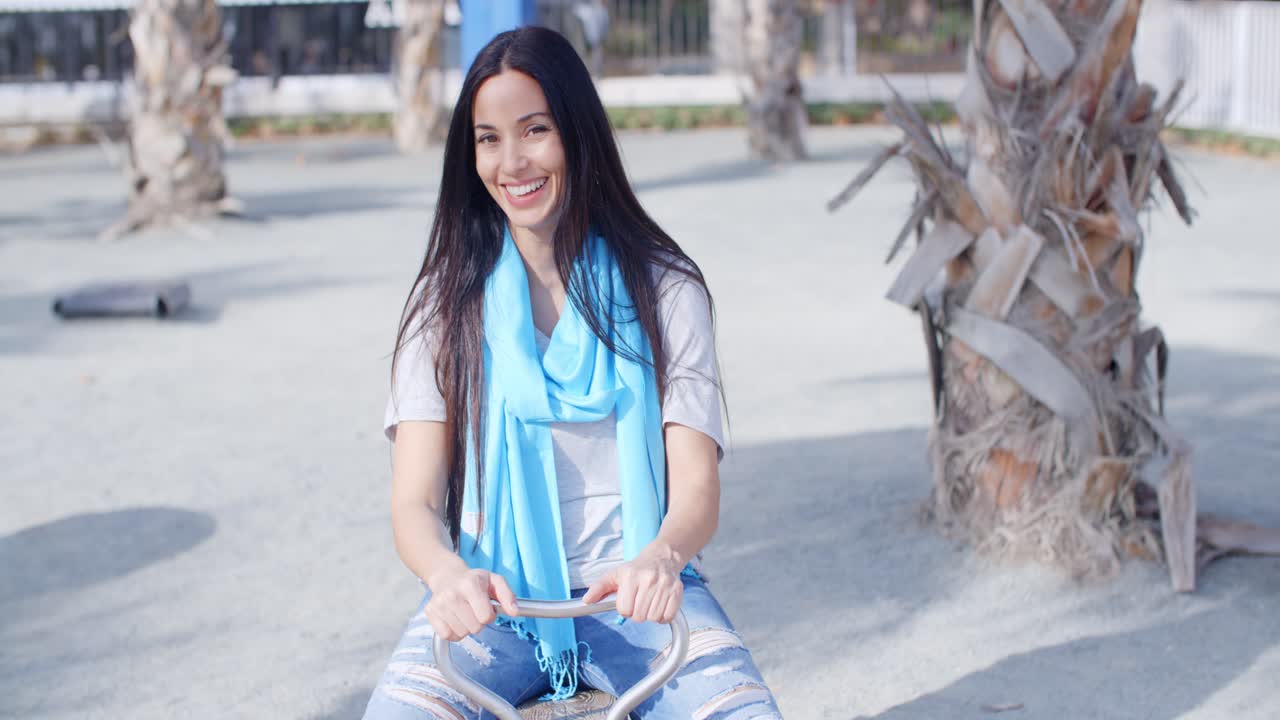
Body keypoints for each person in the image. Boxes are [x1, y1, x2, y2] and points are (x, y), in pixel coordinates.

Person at [362, 26, 782, 720]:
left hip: (641, 599)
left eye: (536, 130)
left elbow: (697, 488)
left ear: (578, 134)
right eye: (488, 139)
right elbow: (413, 504)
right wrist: (447, 574)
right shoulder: (445, 303)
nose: (512, 162)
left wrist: (661, 558)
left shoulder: (665, 287)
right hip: (496, 606)